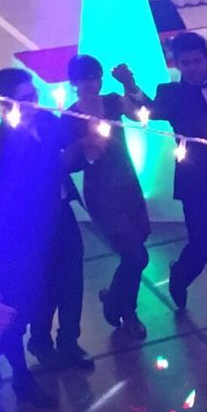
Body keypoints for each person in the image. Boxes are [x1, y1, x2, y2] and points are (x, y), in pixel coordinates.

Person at [116, 36, 207, 341]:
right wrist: (130, 85)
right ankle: (180, 275)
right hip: (199, 188)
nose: (193, 68)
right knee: (204, 245)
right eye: (186, 63)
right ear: (178, 65)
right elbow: (148, 108)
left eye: (198, 60)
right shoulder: (171, 94)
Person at [0, 67, 92, 373]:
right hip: (32, 223)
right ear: (5, 102)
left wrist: (85, 150)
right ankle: (41, 341)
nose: (33, 102)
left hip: (62, 212)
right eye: (25, 98)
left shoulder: (47, 121)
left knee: (73, 280)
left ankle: (70, 341)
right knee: (45, 285)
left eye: (33, 95)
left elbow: (67, 159)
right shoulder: (0, 140)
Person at [65, 55, 151, 341]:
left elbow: (142, 115)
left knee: (135, 252)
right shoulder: (70, 116)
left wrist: (130, 85)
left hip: (127, 183)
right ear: (73, 82)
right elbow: (67, 161)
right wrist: (85, 149)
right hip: (101, 192)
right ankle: (125, 310)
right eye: (85, 78)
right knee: (136, 255)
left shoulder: (113, 101)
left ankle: (116, 299)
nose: (91, 83)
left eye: (96, 76)